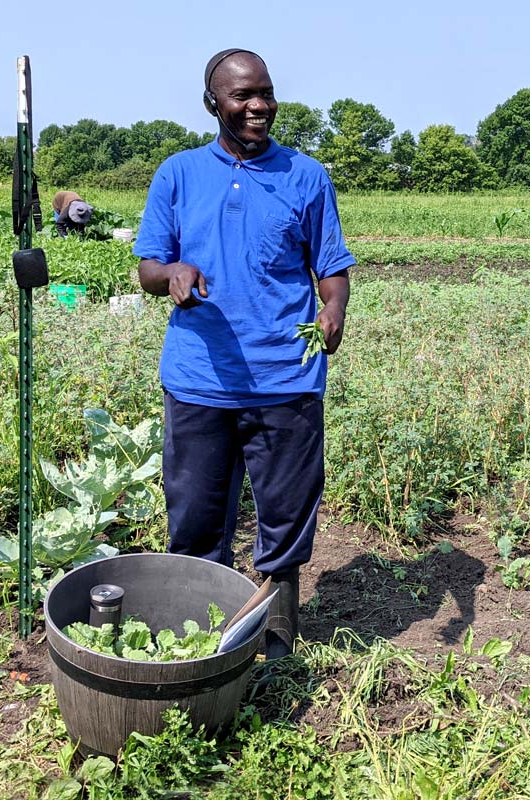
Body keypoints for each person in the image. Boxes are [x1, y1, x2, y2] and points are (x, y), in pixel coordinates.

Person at [132, 48, 355, 659]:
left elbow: (330, 267)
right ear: (213, 104)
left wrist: (333, 309)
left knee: (285, 516)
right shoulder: (178, 174)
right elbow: (149, 265)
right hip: (200, 378)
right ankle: (204, 641)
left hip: (287, 376)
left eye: (266, 93)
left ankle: (277, 636)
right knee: (198, 519)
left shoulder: (306, 176)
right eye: (242, 96)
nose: (258, 106)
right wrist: (172, 273)